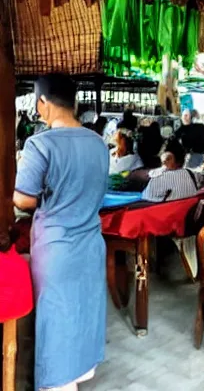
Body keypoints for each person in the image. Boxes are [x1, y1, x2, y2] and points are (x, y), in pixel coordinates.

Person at [13, 74, 109, 391]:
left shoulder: (40, 144)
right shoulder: (98, 143)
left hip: (56, 249)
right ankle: (78, 375)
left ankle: (57, 382)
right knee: (82, 312)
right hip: (91, 245)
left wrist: (46, 195)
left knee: (55, 320)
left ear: (43, 103)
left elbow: (22, 198)